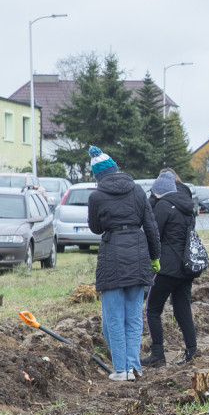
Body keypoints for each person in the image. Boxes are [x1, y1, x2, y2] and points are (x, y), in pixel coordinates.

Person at [86, 146, 161, 381]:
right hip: (138, 254)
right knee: (134, 318)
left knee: (113, 318)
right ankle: (133, 367)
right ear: (116, 168)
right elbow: (150, 226)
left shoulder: (96, 196)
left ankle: (121, 370)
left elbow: (96, 228)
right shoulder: (137, 191)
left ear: (98, 175)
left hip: (111, 256)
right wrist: (155, 257)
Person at [142, 171, 199, 368]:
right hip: (186, 267)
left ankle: (158, 354)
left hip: (166, 269)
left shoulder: (163, 207)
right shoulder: (186, 206)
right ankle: (192, 350)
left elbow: (153, 234)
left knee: (152, 309)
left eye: (155, 193)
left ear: (159, 192)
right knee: (183, 309)